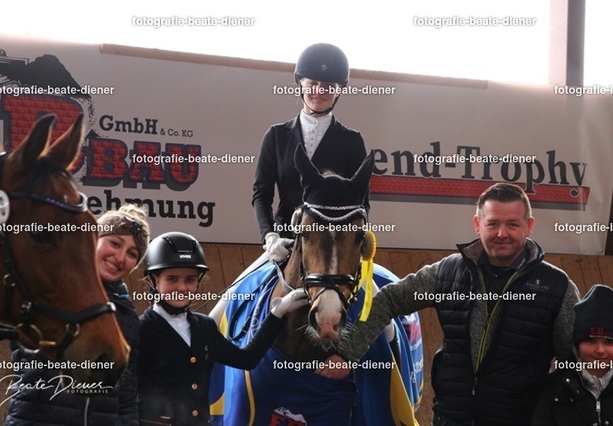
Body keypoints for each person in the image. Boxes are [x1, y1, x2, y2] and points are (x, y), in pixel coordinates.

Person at [318, 182, 581, 426]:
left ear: (529, 225)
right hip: (450, 418)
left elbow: (574, 363)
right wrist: (347, 353)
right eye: (493, 224)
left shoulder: (557, 287)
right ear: (478, 224)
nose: (502, 233)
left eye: (512, 224)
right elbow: (389, 299)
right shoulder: (448, 273)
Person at [137, 231, 308, 426]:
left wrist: (277, 314)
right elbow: (125, 396)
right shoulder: (140, 330)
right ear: (153, 281)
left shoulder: (204, 326)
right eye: (172, 279)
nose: (183, 288)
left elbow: (247, 359)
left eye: (190, 279)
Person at [4, 204, 150, 426]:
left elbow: (126, 398)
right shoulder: (44, 286)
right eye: (115, 243)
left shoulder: (126, 315)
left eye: (132, 253)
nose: (120, 257)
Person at [252, 42, 368, 260]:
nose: (320, 91)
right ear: (300, 84)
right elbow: (262, 194)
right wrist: (269, 236)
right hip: (285, 244)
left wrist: (358, 237)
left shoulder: (352, 141)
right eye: (313, 83)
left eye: (328, 86)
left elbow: (361, 200)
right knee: (243, 282)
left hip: (334, 249)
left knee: (381, 280)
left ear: (339, 90)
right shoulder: (276, 136)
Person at [531, 284, 613, 426]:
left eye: (609, 342)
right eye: (591, 341)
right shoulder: (554, 390)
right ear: (577, 344)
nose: (600, 350)